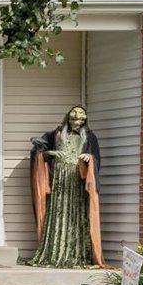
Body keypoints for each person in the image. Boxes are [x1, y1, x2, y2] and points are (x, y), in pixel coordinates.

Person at [27, 105, 105, 268]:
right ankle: (55, 252)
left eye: (81, 118)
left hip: (78, 180)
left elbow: (97, 159)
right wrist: (50, 153)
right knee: (58, 213)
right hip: (60, 180)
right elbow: (38, 149)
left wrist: (89, 157)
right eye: (74, 118)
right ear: (67, 118)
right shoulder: (55, 134)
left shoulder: (90, 137)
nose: (77, 121)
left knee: (78, 215)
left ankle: (78, 254)